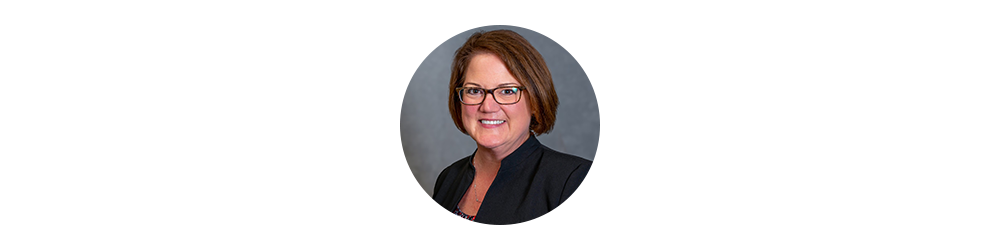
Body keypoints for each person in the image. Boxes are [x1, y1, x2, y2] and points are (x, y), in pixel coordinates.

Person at [432, 29, 592, 224]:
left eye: (507, 91)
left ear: (535, 100)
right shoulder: (448, 178)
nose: (487, 107)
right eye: (474, 90)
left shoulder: (574, 181)